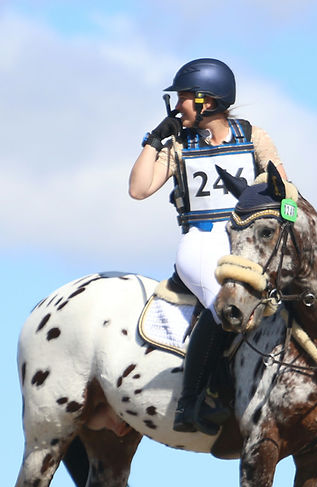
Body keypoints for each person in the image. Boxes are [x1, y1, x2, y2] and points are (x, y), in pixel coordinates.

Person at [129, 58, 287, 435]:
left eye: (183, 98)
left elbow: (283, 189)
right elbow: (138, 189)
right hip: (199, 243)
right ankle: (193, 401)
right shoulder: (180, 146)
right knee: (225, 306)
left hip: (245, 243)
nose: (177, 106)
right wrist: (153, 141)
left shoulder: (253, 136)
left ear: (207, 101)